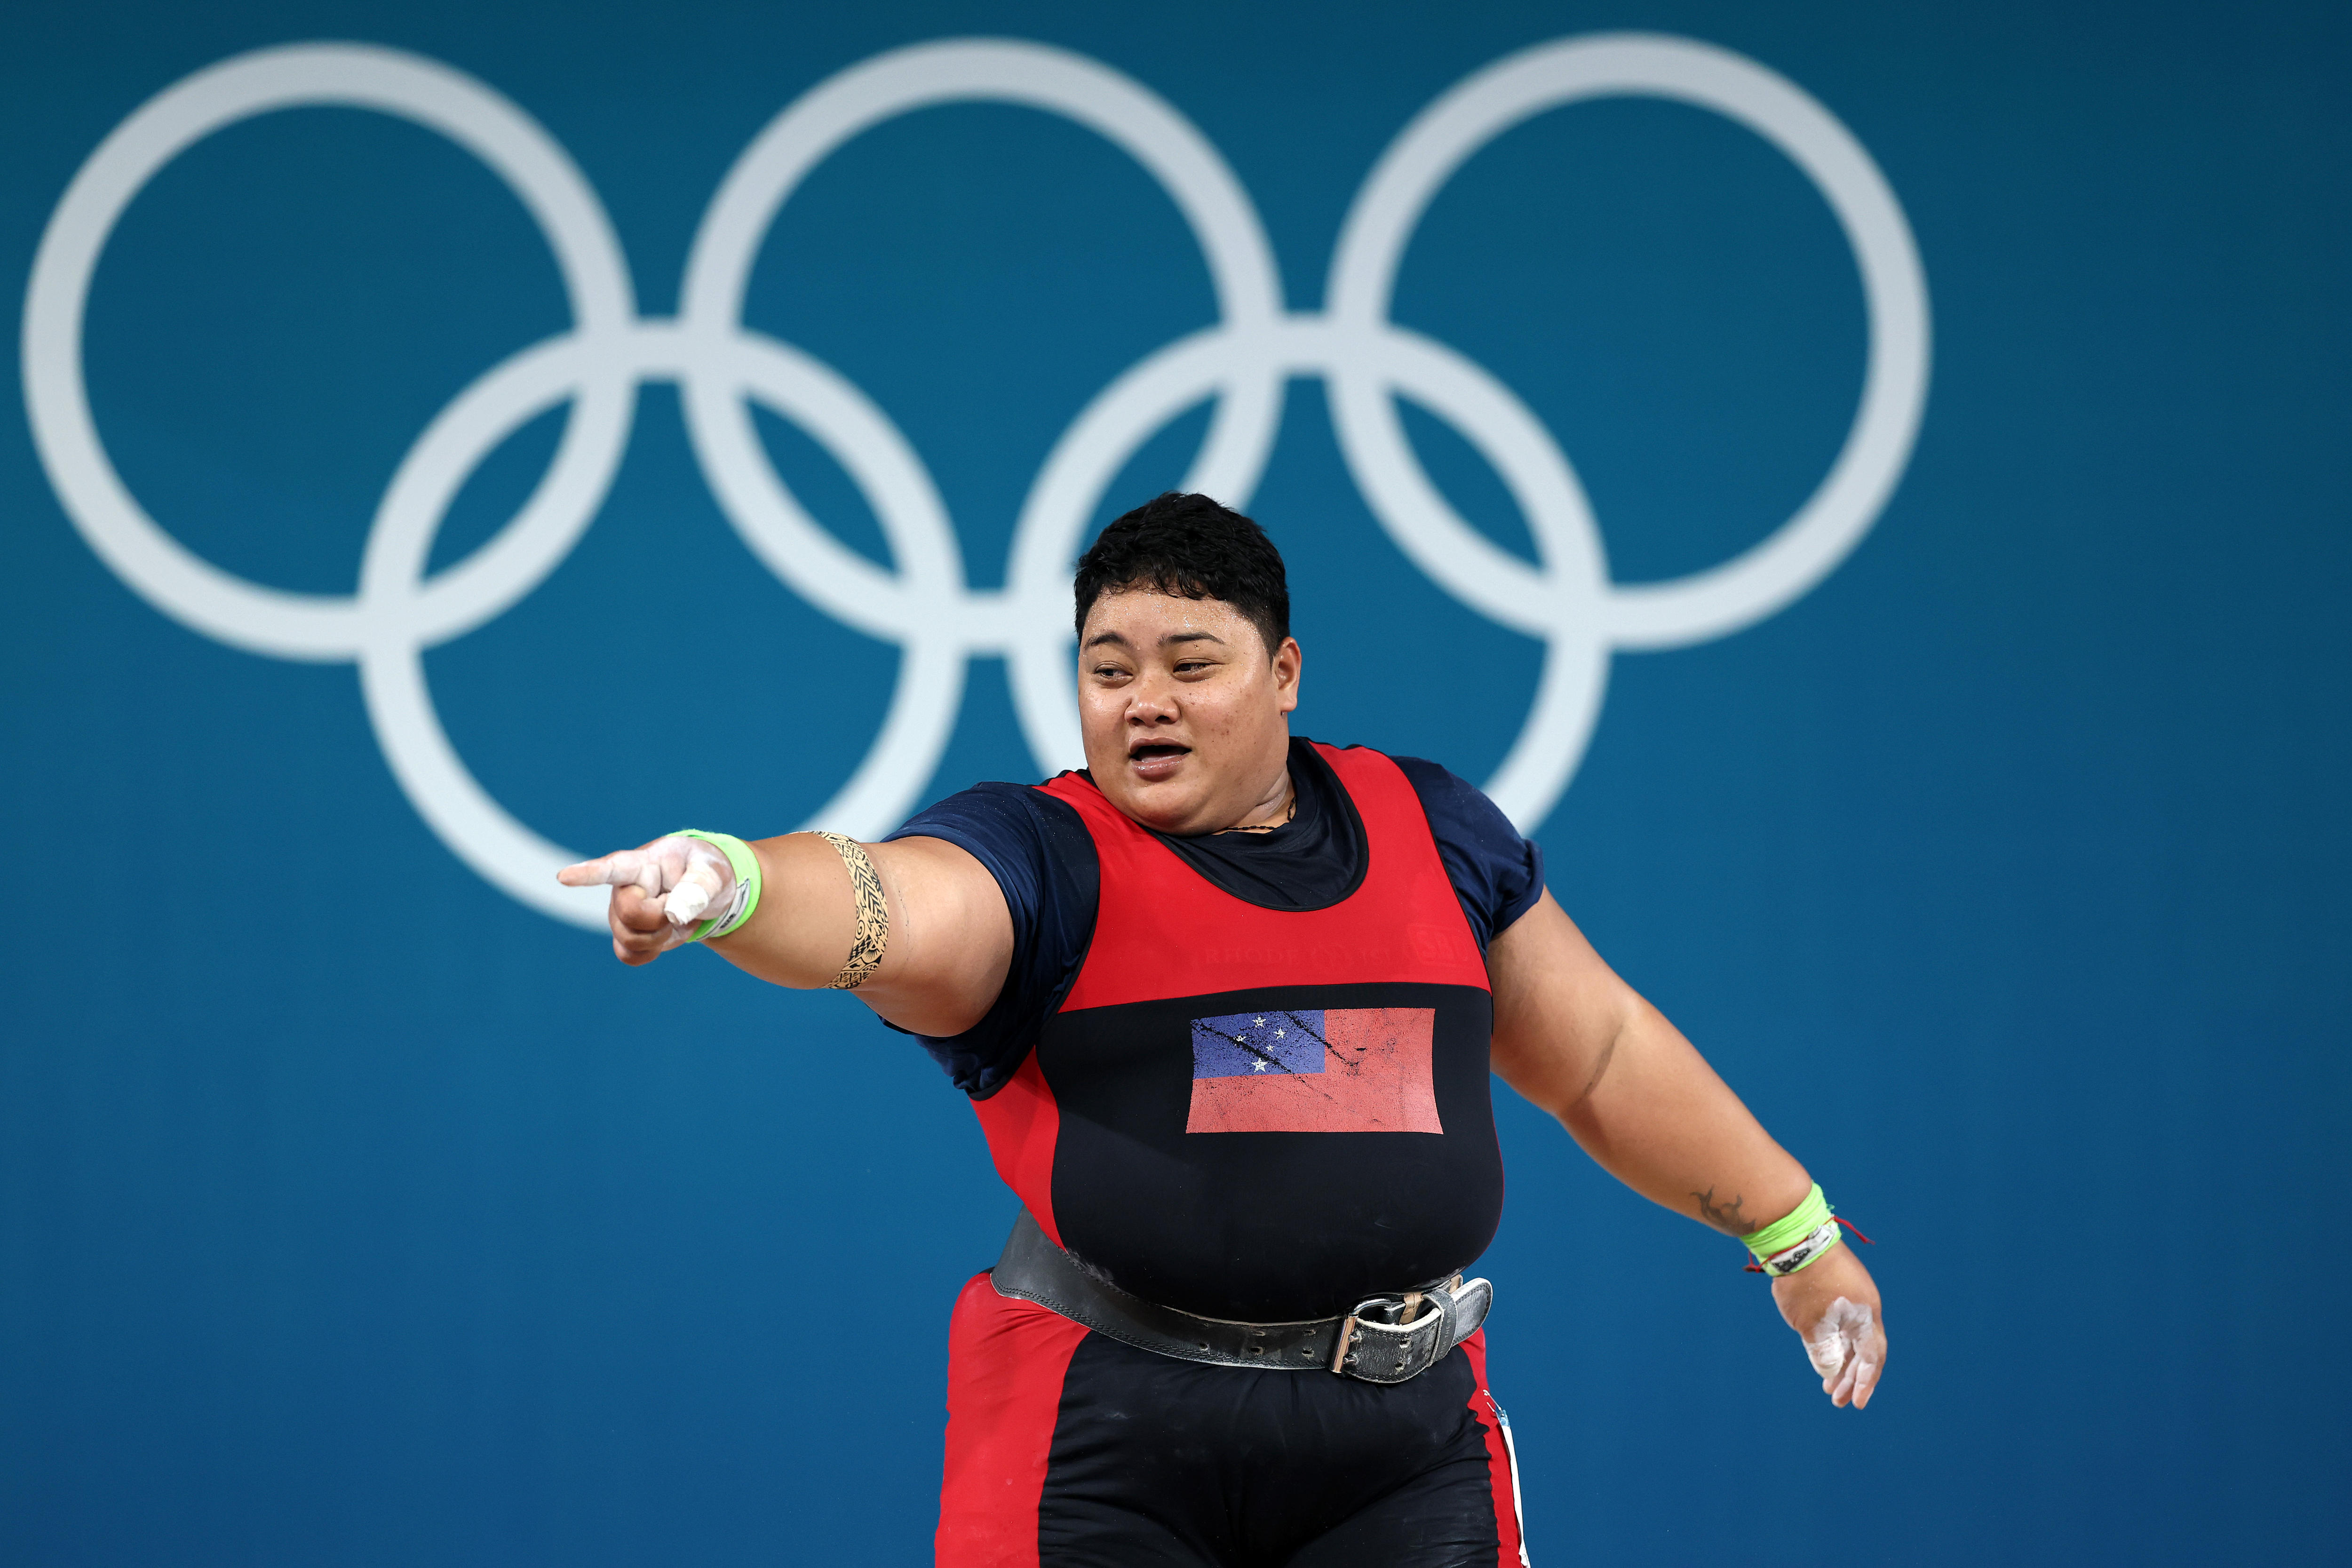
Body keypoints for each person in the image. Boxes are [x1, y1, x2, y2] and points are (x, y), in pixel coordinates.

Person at [559, 492, 1887, 1567]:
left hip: (1403, 1445)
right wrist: (731, 884)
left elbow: (1596, 1055)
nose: (1147, 701)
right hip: (1102, 1441)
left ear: (1284, 672)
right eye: (1109, 669)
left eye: (1193, 666)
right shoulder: (1039, 855)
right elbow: (882, 909)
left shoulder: (1431, 833)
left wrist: (1794, 1235)